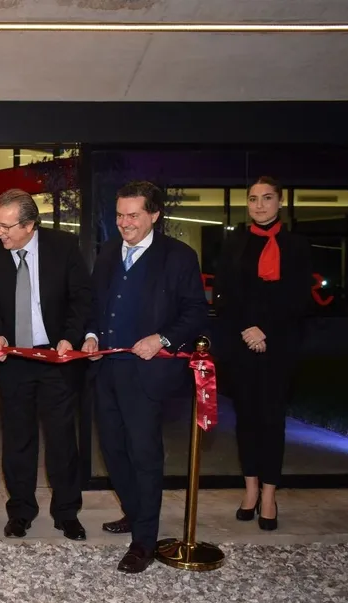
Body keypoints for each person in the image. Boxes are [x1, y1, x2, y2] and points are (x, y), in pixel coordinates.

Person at [81, 181, 207, 573]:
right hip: (106, 371)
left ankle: (145, 541)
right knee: (114, 452)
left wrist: (162, 338)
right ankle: (135, 514)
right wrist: (89, 335)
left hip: (149, 375)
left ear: (154, 215)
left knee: (145, 455)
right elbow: (93, 305)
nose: (124, 223)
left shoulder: (179, 257)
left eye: (133, 215)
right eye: (119, 215)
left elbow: (195, 313)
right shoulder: (106, 253)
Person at [0, 189, 93, 542]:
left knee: (61, 441)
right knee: (18, 441)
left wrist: (70, 336)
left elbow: (80, 298)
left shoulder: (63, 247)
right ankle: (21, 511)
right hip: (15, 362)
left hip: (56, 358)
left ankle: (67, 512)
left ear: (29, 225)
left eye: (5, 226)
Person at [214, 176, 312, 532]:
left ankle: (270, 493)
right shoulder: (234, 243)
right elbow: (224, 294)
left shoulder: (297, 245)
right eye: (253, 199)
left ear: (280, 202)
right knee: (246, 421)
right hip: (242, 347)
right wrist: (247, 330)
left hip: (279, 347)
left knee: (272, 422)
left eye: (267, 198)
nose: (259, 205)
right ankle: (250, 489)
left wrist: (265, 329)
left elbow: (299, 298)